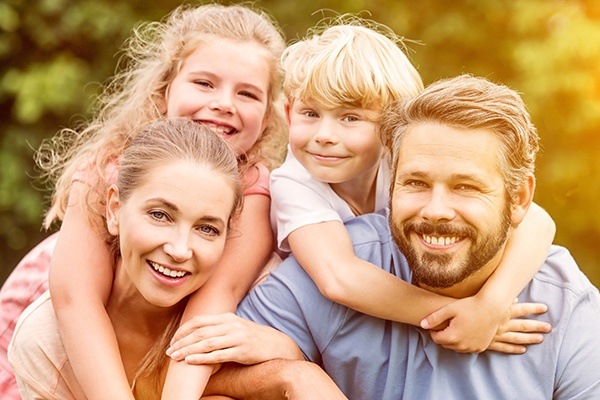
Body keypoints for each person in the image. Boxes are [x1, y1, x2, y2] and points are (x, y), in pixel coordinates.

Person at [167, 18, 554, 370]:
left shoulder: (403, 164)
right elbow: (339, 279)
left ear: (390, 126)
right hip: (312, 319)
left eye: (350, 118)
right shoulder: (294, 182)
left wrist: (491, 305)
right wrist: (457, 314)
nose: (324, 135)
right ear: (288, 111)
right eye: (310, 113)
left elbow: (536, 220)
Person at [198, 75, 600, 399]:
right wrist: (294, 377)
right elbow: (206, 382)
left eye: (466, 187)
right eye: (417, 183)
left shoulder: (568, 310)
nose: (436, 210)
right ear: (392, 184)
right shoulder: (337, 263)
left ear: (519, 198)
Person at [0, 3, 287, 399]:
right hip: (61, 312)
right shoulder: (108, 166)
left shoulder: (257, 188)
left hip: (158, 341)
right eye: (204, 84)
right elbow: (75, 299)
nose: (224, 103)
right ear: (165, 87)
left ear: (269, 117)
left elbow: (212, 303)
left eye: (247, 93)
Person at [8, 119, 237, 398]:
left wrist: (278, 347)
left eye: (206, 229)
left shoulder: (247, 308)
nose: (180, 250)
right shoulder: (45, 342)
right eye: (159, 215)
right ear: (115, 210)